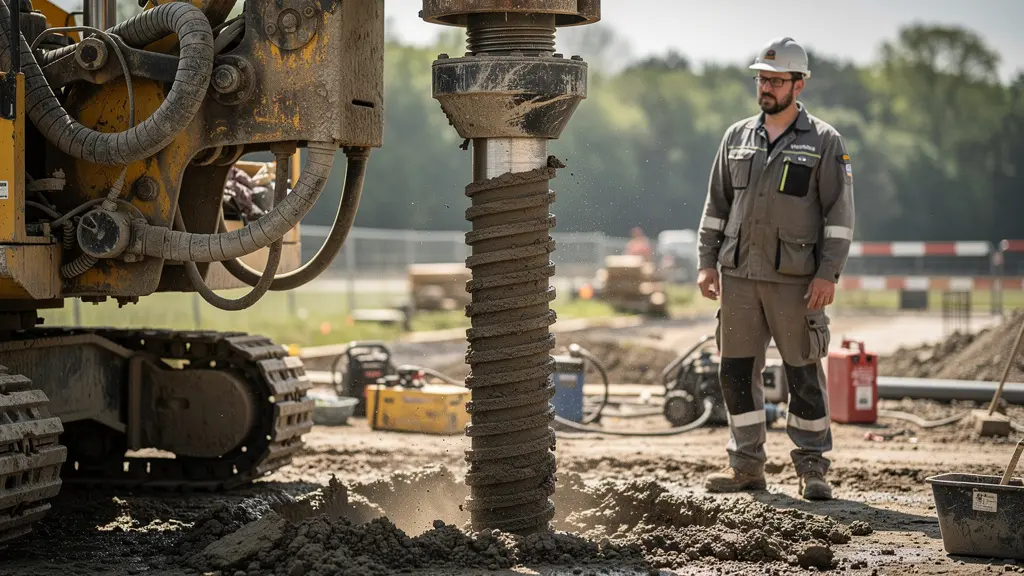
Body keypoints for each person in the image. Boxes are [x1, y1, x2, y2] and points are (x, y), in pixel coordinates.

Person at [695, 37, 855, 500]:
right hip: (739, 276)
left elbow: (839, 218)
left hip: (796, 281)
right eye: (761, 78)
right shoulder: (736, 137)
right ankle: (746, 466)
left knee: (802, 373)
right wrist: (707, 263)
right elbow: (715, 209)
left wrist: (828, 273)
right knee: (735, 372)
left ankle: (812, 467)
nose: (764, 86)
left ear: (798, 85)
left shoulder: (825, 142)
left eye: (775, 80)